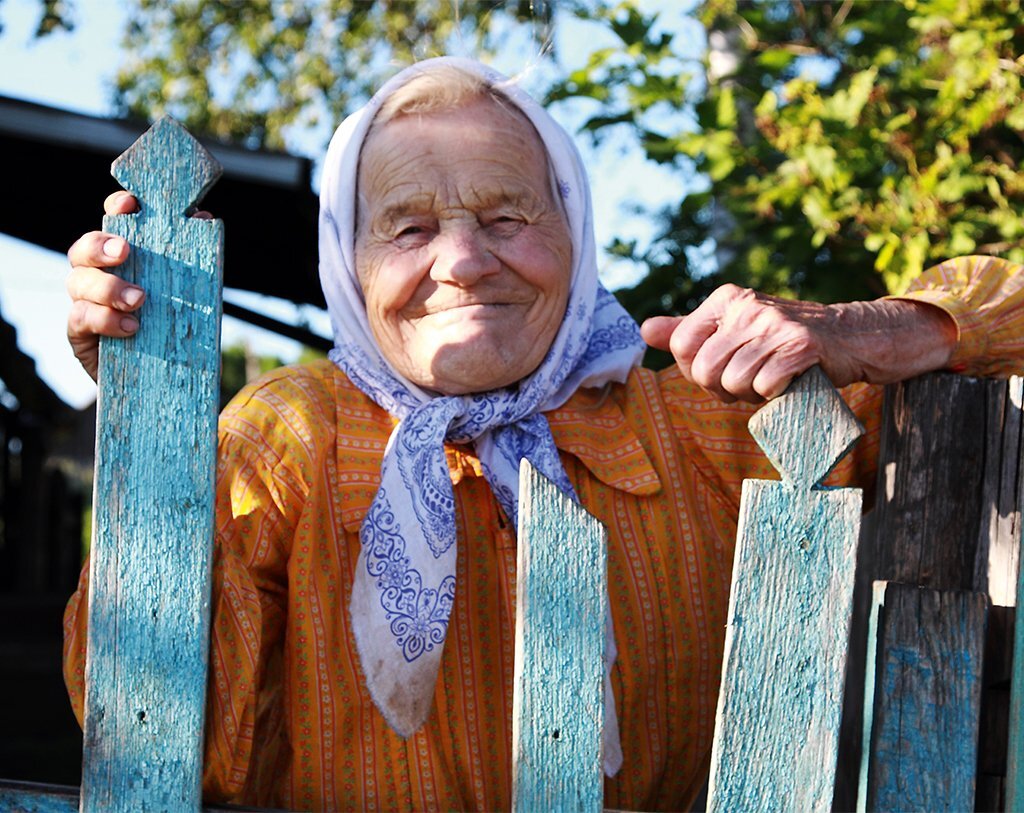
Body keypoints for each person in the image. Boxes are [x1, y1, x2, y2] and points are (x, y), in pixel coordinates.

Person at [62, 57, 1024, 811]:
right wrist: (155, 452)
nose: (464, 262)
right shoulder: (285, 438)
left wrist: (884, 328)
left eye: (507, 215)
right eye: (405, 228)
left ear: (575, 234)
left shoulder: (708, 425)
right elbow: (177, 746)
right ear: (348, 265)